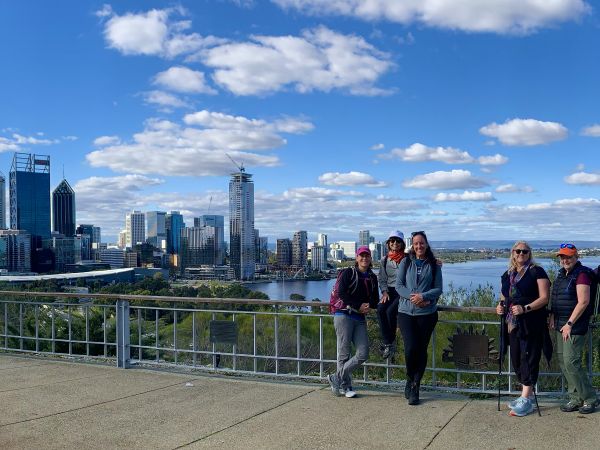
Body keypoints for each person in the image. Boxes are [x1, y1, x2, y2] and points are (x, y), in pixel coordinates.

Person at [496, 240, 550, 417]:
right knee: (517, 358)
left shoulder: (537, 271)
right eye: (518, 251)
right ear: (512, 253)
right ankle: (525, 397)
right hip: (512, 323)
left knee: (529, 357)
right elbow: (504, 296)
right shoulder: (507, 274)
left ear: (529, 254)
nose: (521, 254)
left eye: (525, 252)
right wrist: (500, 306)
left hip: (532, 322)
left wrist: (525, 308)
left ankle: (525, 399)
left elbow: (544, 298)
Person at [549, 243, 598, 414]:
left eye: (569, 256)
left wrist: (569, 324)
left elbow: (583, 301)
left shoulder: (582, 274)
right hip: (561, 324)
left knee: (572, 362)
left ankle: (590, 398)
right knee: (564, 362)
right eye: (562, 257)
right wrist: (553, 316)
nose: (565, 260)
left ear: (576, 257)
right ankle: (575, 398)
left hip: (574, 325)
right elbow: (556, 298)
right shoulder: (562, 275)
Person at [395, 231, 442, 405]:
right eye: (416, 243)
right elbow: (399, 286)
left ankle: (415, 385)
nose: (419, 246)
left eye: (421, 243)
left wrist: (423, 296)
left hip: (427, 314)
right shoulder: (406, 262)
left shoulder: (434, 265)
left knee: (421, 350)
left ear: (426, 244)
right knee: (410, 348)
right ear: (412, 245)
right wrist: (413, 297)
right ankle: (409, 377)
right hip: (406, 312)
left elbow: (438, 289)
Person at [328, 245, 379, 398]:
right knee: (343, 354)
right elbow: (341, 293)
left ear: (370, 259)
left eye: (367, 256)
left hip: (360, 318)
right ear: (357, 258)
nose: (364, 258)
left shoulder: (372, 277)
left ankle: (335, 377)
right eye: (361, 255)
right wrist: (358, 305)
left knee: (363, 353)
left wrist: (369, 305)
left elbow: (375, 299)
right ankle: (346, 386)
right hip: (344, 314)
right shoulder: (348, 273)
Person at [377, 230, 406, 360]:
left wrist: (436, 262)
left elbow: (424, 260)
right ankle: (387, 342)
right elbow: (382, 279)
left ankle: (390, 343)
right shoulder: (384, 260)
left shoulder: (408, 259)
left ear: (402, 244)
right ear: (388, 243)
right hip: (389, 291)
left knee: (390, 312)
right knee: (380, 309)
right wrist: (384, 292)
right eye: (392, 241)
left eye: (398, 241)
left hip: (402, 292)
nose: (395, 243)